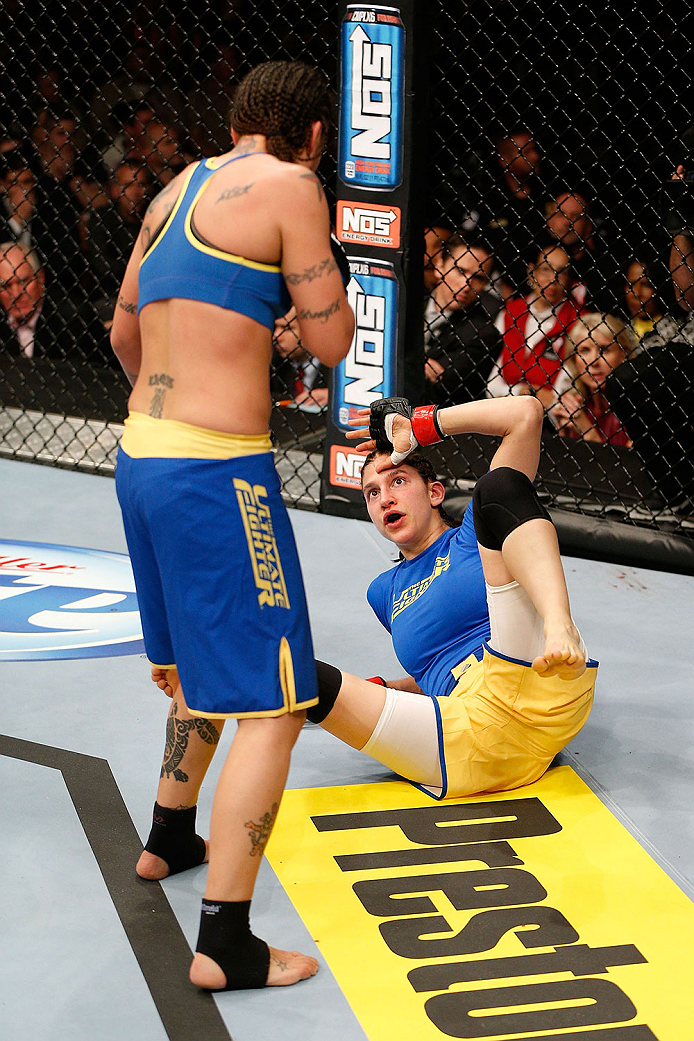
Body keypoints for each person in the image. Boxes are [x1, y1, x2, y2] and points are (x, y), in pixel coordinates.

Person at [110, 60, 354, 991]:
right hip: (217, 468)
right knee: (274, 703)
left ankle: (170, 835)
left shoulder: (176, 186)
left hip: (140, 453)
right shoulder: (294, 186)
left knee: (203, 662)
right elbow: (333, 345)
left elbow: (123, 332)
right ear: (313, 134)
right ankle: (227, 939)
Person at [305, 394, 597, 800]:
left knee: (498, 487)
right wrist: (388, 688)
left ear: (435, 492)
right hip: (464, 736)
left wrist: (423, 425)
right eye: (371, 493)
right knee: (296, 672)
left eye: (398, 481)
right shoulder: (383, 591)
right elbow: (438, 666)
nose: (384, 497)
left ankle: (558, 624)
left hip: (533, 682)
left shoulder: (474, 537)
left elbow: (524, 415)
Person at [486, 243, 584, 411]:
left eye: (561, 272)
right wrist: (524, 392)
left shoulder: (578, 322)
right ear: (531, 272)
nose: (553, 279)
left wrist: (514, 395)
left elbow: (560, 395)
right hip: (503, 410)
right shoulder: (510, 313)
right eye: (546, 269)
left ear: (568, 279)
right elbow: (492, 385)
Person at [424, 236, 503, 404]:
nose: (466, 285)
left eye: (479, 278)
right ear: (439, 266)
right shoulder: (405, 302)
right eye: (460, 271)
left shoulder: (484, 335)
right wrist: (418, 364)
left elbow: (441, 391)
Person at [550, 312, 634, 446]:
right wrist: (564, 432)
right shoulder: (576, 404)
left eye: (604, 350)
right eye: (584, 350)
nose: (593, 362)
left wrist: (587, 431)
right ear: (574, 358)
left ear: (623, 354)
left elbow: (624, 466)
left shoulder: (638, 406)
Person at [544, 188, 627, 315]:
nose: (567, 222)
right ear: (549, 221)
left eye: (575, 216)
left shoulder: (603, 271)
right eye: (561, 214)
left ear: (588, 225)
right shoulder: (535, 260)